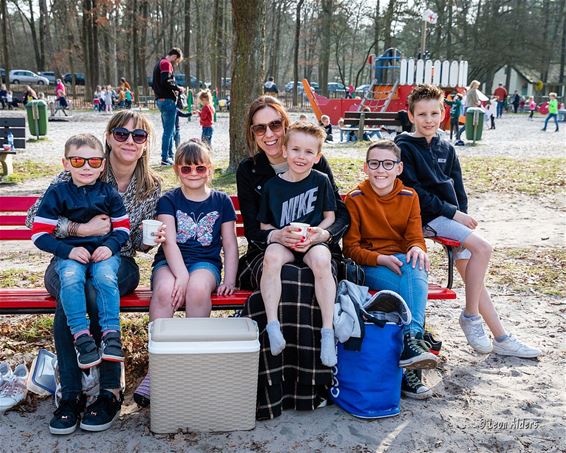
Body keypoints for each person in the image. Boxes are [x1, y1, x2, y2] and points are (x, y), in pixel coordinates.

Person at [26, 110, 163, 434]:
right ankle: (71, 396)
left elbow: (137, 245)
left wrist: (149, 239)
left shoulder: (150, 186)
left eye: (138, 136)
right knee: (73, 287)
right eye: (122, 133)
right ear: (109, 138)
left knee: (93, 287)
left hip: (118, 263)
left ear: (145, 144)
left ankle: (108, 392)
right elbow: (34, 219)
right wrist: (79, 228)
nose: (130, 141)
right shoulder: (81, 168)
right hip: (67, 261)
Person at [394, 84, 541, 360]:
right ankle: (470, 316)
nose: (429, 119)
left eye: (434, 113)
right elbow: (414, 192)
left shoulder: (446, 147)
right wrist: (454, 214)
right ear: (411, 116)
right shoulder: (404, 146)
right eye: (422, 114)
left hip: (448, 217)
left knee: (473, 276)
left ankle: (501, 337)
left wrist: (462, 215)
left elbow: (457, 187)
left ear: (443, 113)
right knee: (483, 248)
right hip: (424, 217)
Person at [236, 95, 349, 420]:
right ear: (253, 133)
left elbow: (338, 214)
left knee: (310, 272)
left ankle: (312, 385)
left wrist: (321, 235)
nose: (268, 133)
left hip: (315, 246)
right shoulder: (251, 171)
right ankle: (273, 388)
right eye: (260, 128)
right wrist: (277, 236)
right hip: (269, 249)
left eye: (274, 124)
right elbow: (256, 228)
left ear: (285, 128)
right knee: (288, 275)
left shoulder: (315, 163)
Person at [133, 139, 238, 407]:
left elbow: (229, 243)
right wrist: (180, 275)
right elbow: (168, 240)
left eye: (200, 168)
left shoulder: (221, 200)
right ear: (177, 170)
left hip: (205, 263)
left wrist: (229, 279)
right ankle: (157, 368)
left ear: (209, 169)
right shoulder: (169, 199)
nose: (193, 174)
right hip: (170, 262)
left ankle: (194, 363)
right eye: (186, 169)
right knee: (165, 291)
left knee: (198, 288)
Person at [343, 139, 439, 400]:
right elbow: (350, 249)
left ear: (399, 168)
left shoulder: (410, 197)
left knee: (415, 263)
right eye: (374, 163)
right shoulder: (355, 198)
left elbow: (414, 238)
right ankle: (413, 345)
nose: (380, 170)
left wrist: (418, 247)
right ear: (365, 167)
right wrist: (380, 259)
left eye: (388, 164)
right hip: (371, 266)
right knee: (413, 276)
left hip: (403, 266)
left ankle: (410, 349)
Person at [31, 134, 130, 370]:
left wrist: (110, 246)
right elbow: (39, 234)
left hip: (104, 254)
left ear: (102, 164)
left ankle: (111, 335)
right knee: (70, 278)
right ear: (66, 163)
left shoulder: (109, 192)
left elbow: (123, 228)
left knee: (105, 278)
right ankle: (82, 337)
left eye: (94, 162)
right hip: (70, 254)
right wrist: (67, 251)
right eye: (78, 161)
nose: (86, 167)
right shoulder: (57, 193)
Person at [258, 122, 337, 367]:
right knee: (271, 257)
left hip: (312, 241)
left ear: (317, 157)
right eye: (295, 150)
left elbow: (330, 216)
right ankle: (272, 325)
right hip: (285, 241)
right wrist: (280, 234)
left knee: (323, 261)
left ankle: (327, 331)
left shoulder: (321, 180)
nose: (300, 157)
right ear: (284, 151)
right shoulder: (272, 186)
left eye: (308, 152)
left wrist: (318, 233)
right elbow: (264, 226)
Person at [152, 47, 185, 165]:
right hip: (167, 100)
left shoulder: (158, 64)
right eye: (177, 61)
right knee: (169, 131)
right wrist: (177, 88)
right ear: (175, 56)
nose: (176, 63)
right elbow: (166, 81)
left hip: (160, 100)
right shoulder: (166, 64)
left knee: (170, 130)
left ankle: (169, 155)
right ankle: (165, 158)